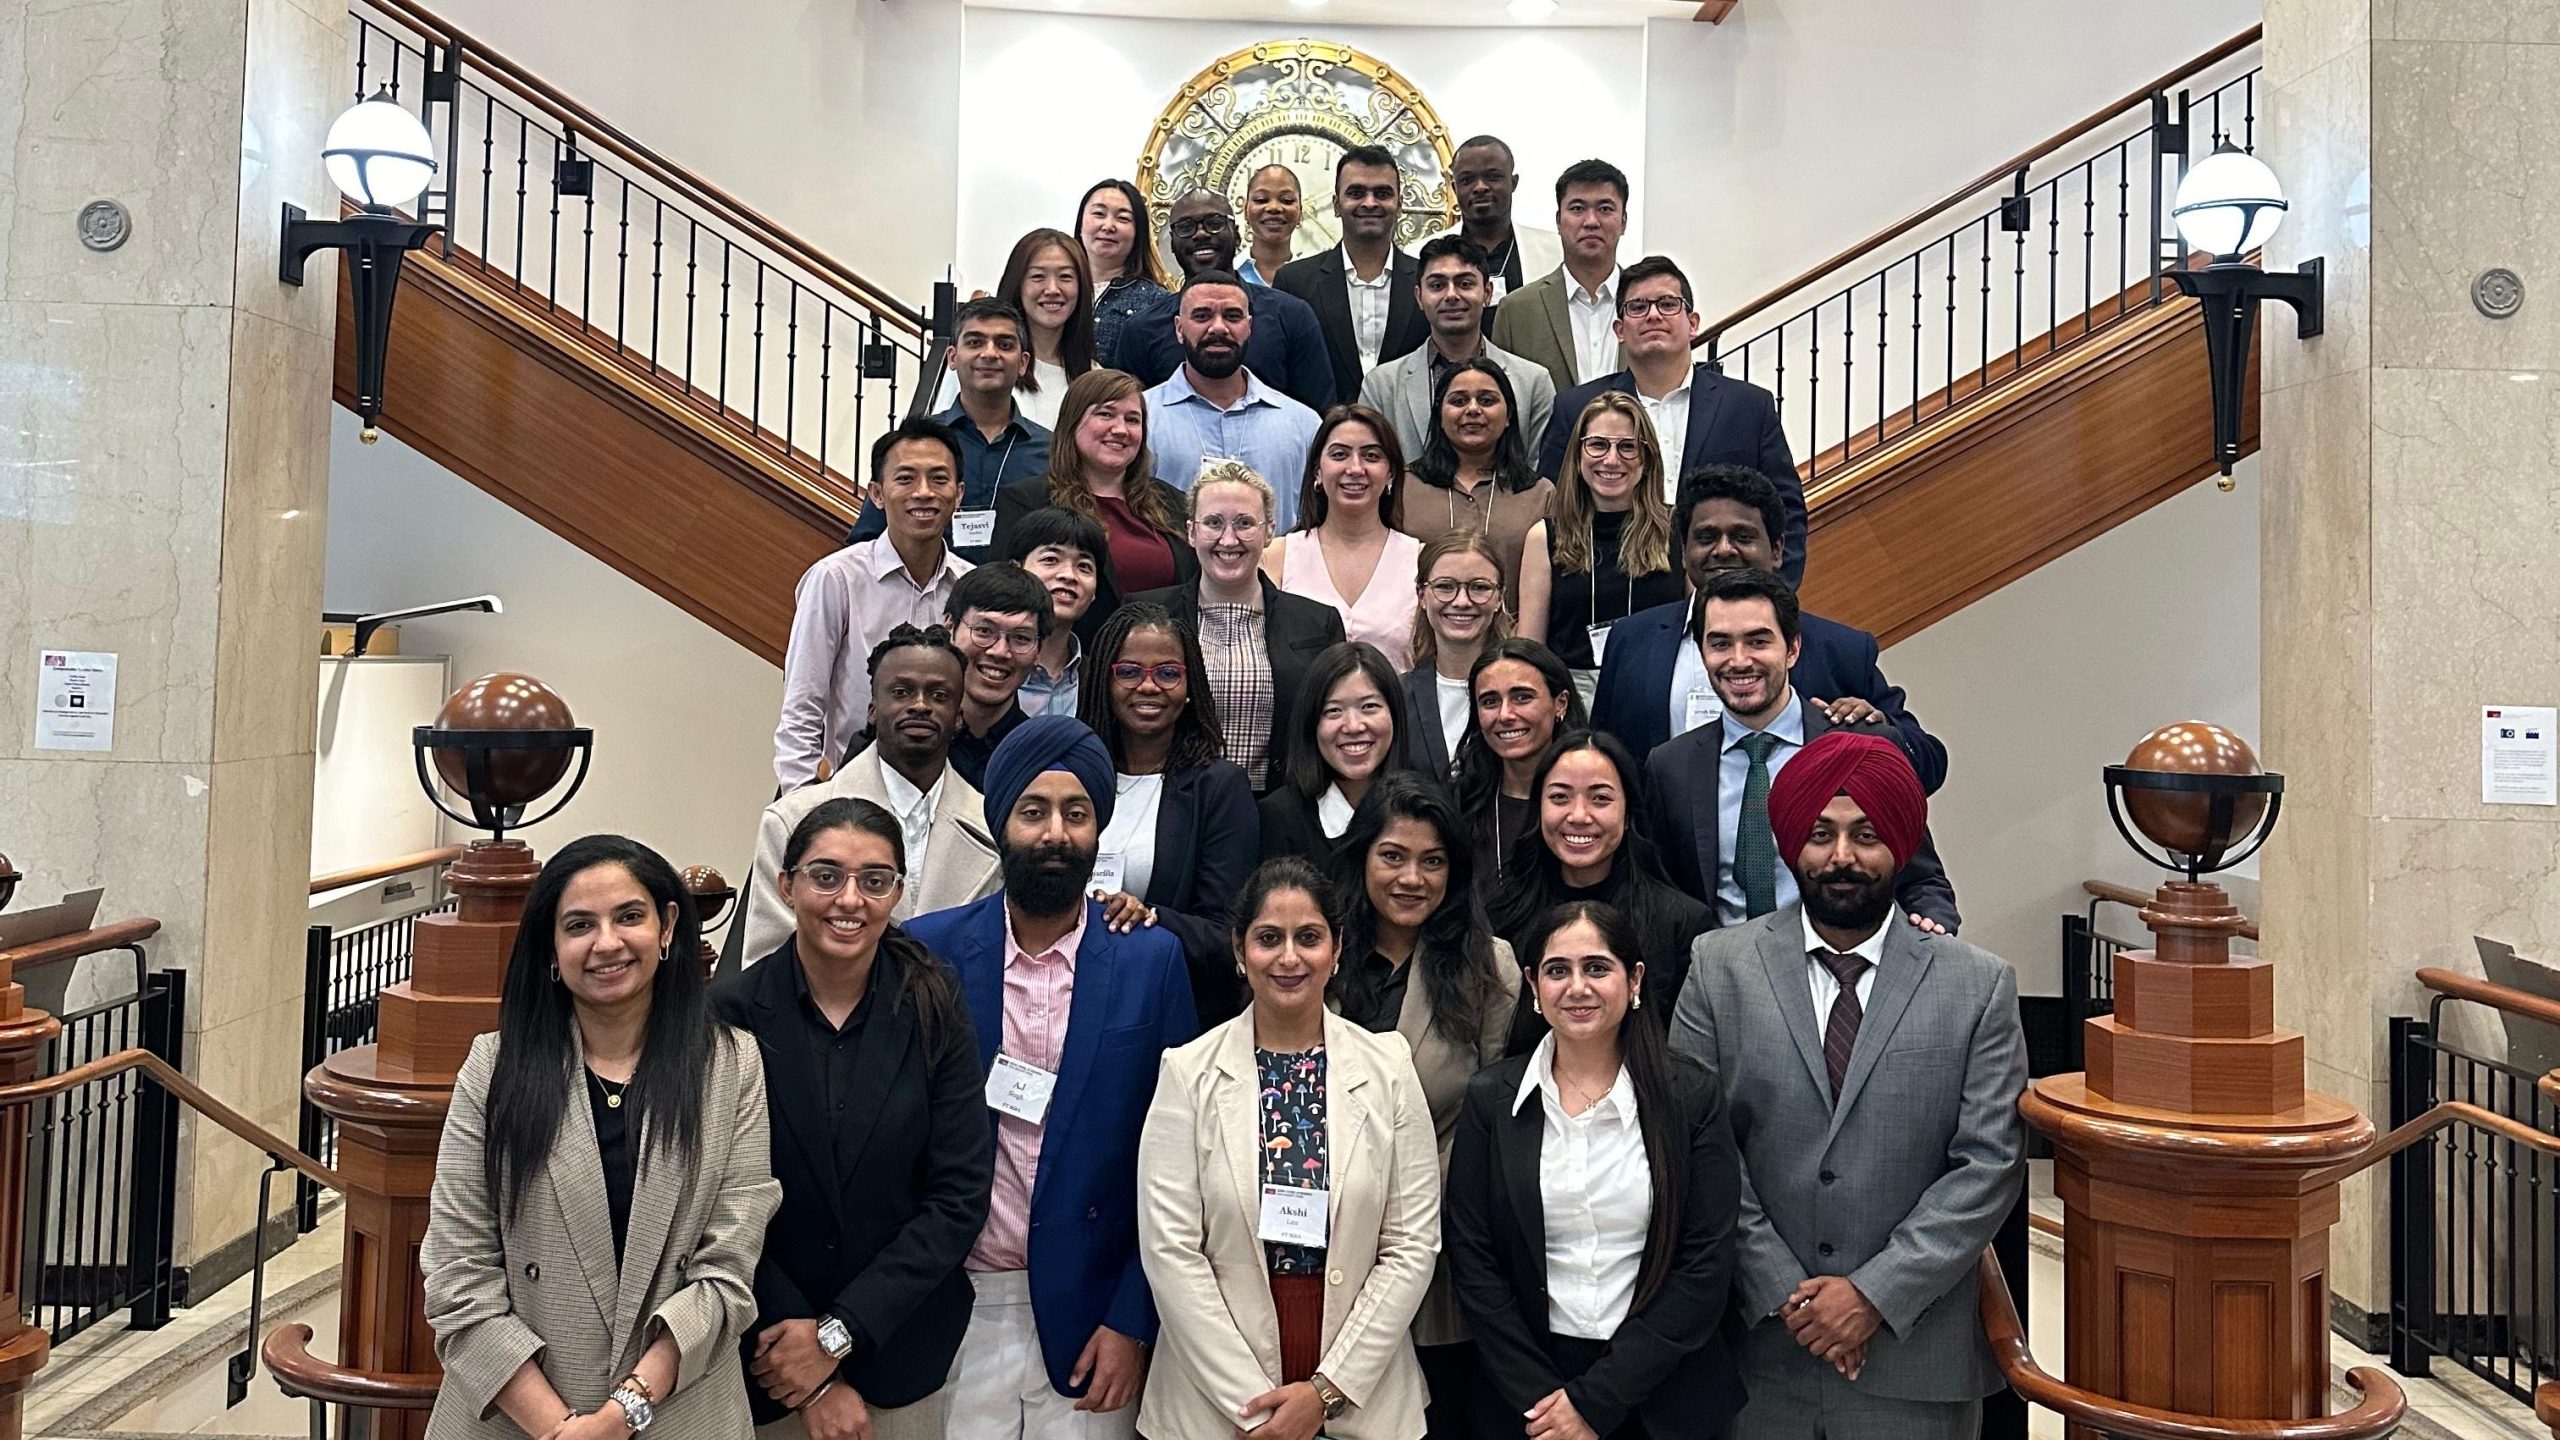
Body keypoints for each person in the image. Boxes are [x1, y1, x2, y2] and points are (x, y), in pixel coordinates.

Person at [1669, 733, 2027, 1440]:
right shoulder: (1719, 967)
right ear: (1790, 844)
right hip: (1757, 1356)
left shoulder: (1978, 985)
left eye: (1866, 835)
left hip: (1915, 1361)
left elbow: (1988, 1165)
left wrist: (1873, 1294)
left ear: (1900, 844)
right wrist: (1786, 1294)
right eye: (1821, 834)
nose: (1841, 857)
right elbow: (1694, 1144)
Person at [420, 835, 780, 1440]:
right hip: (517, 1418)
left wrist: (623, 1413)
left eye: (629, 917)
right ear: (551, 947)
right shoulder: (494, 1068)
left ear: (668, 927)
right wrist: (561, 1429)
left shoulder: (731, 1065)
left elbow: (728, 1272)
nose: (607, 943)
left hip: (678, 1413)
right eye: (579, 925)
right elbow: (458, 1273)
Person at [904, 715, 1198, 1440]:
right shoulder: (928, 953)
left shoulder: (1150, 960)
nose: (1056, 833)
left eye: (1077, 813)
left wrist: (1133, 1319)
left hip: (1094, 1315)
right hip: (954, 1304)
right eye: (1033, 812)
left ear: (1100, 829)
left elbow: (1180, 1159)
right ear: (1001, 822)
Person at [713, 800, 993, 1440]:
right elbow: (717, 1200)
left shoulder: (935, 1002)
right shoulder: (730, 1013)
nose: (849, 899)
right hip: (767, 1362)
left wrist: (839, 1334)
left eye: (874, 880)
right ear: (786, 886)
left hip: (900, 1350)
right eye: (826, 876)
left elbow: (958, 1195)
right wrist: (805, 1365)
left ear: (898, 893)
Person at [1135, 856, 1441, 1440]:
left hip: (1362, 1390)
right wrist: (1259, 1409)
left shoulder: (1389, 1068)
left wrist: (1325, 1392)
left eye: (1309, 937)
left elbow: (1411, 1245)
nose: (1289, 957)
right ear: (1239, 950)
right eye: (1269, 938)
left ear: (1337, 949)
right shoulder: (1187, 1072)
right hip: (1213, 1401)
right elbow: (1170, 1251)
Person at [1445, 900, 1746, 1440]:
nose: (1577, 987)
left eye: (1597, 968)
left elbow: (1705, 1264)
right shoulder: (1492, 1099)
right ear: (1533, 985)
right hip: (1526, 1400)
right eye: (1558, 970)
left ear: (1635, 980)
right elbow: (1473, 1257)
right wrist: (1545, 1404)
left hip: (1662, 1392)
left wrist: (1595, 1402)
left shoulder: (1691, 1096)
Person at [1326, 777, 1518, 1439]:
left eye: (1432, 861)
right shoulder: (1318, 955)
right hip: (1319, 1246)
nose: (1412, 878)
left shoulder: (1490, 968)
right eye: (1393, 856)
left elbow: (1490, 1122)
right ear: (1362, 859)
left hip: (1434, 1255)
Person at [1640, 569, 1959, 933]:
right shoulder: (1671, 767)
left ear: (1792, 649)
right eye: (1721, 644)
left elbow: (1922, 881)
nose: (1739, 660)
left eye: (1758, 641)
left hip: (1846, 959)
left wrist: (1931, 926)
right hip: (1724, 962)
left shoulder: (1863, 745)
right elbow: (1665, 896)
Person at [1593, 466, 1946, 785]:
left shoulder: (1840, 650)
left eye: (1743, 536)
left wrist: (1879, 732)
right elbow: (1600, 754)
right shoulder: (1631, 640)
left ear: (1777, 550)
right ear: (1684, 551)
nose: (1724, 549)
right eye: (1706, 537)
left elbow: (1927, 765)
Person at [1536, 258, 1805, 586]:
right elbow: (1555, 505)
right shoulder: (1577, 408)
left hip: (1723, 589)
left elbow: (1786, 509)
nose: (1653, 315)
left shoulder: (1748, 407)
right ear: (1619, 330)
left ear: (1692, 323)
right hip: (1610, 587)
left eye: (1667, 304)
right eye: (1637, 307)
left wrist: (1776, 592)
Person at [744, 625, 1001, 962]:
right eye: (901, 692)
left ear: (959, 717)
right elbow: (766, 967)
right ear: (872, 710)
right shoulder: (790, 821)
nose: (920, 705)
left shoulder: (994, 828)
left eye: (939, 695)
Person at [1077, 602, 1260, 1025]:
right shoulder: (1073, 776)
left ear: (1189, 684)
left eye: (1168, 673)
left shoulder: (1219, 787)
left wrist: (1149, 917)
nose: (1148, 686)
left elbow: (1227, 936)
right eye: (1129, 672)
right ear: (1104, 680)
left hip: (1165, 1007)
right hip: (1065, 992)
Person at [1130, 461, 1347, 795]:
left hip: (1278, 807)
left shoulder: (1318, 623)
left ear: (1269, 531)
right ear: (1191, 532)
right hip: (1167, 802)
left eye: (1245, 523)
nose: (1228, 539)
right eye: (1213, 523)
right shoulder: (1143, 614)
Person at [775, 418, 970, 790]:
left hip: (941, 788)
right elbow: (802, 705)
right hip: (849, 787)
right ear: (877, 495)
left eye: (939, 479)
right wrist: (801, 799)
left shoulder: (969, 585)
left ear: (958, 494)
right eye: (906, 478)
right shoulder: (836, 578)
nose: (924, 492)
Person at [1489, 731, 1708, 1046]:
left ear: (1628, 813)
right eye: (1560, 797)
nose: (1578, 815)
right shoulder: (1501, 916)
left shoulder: (1681, 923)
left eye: (1600, 799)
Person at [847, 298, 1050, 558]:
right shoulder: (913, 445)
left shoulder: (1051, 451)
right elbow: (867, 541)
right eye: (975, 343)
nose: (989, 354)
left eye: (1004, 345)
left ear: (1023, 363)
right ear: (952, 357)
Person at [994, 369, 1197, 619]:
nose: (1121, 429)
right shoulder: (1027, 501)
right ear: (1073, 421)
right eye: (1106, 414)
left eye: (1132, 420)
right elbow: (1003, 596)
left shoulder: (1174, 502)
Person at [1519, 392, 1684, 683]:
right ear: (1577, 455)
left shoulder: (1678, 528)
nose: (1611, 459)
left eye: (1628, 447)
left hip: (1658, 684)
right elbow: (1530, 651)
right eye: (1597, 445)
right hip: (1572, 694)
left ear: (1647, 459)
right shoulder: (1543, 537)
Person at [1123, 189, 1335, 413]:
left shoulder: (1292, 316)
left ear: (1237, 235)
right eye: (1186, 227)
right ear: (1172, 244)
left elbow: (1317, 416)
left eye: (1214, 223)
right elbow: (1128, 416)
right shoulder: (1142, 330)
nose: (1201, 234)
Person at [1141, 270, 1323, 528]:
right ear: (1179, 329)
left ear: (1249, 327)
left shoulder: (1303, 425)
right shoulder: (1141, 418)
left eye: (1232, 316)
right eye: (1202, 316)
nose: (1218, 327)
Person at [1359, 235, 1557, 462]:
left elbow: (1538, 474)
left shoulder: (1533, 383)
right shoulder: (1382, 387)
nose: (1451, 295)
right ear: (1419, 297)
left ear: (1487, 293)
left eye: (1465, 284)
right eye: (1437, 285)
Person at [1263, 404, 1425, 671]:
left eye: (1371, 456)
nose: (1355, 468)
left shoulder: (1421, 560)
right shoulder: (1275, 558)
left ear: (1391, 473)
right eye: (1339, 455)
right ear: (1317, 470)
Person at [1275, 146, 1430, 403]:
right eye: (1356, 193)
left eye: (1382, 193)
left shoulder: (1428, 282)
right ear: (1337, 204)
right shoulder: (1293, 282)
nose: (1369, 203)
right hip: (1321, 426)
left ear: (1400, 204)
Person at [1394, 359, 1556, 596]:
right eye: (1458, 401)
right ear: (1439, 415)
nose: (1472, 410)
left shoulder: (1540, 494)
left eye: (1486, 400)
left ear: (1509, 415)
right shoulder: (1404, 487)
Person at [1259, 641, 1413, 864]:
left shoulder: (1423, 804)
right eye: (1333, 711)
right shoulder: (1281, 816)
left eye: (1369, 706)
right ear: (1311, 724)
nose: (1353, 726)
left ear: (1395, 714)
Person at [1449, 638, 1586, 882]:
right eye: (1490, 701)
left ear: (1560, 703)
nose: (1505, 715)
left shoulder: (1592, 803)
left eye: (1522, 697)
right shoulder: (1460, 802)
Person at [1493, 159, 1630, 396]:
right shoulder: (1517, 311)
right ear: (1558, 221)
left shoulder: (1649, 306)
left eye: (1605, 209)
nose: (1591, 221)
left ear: (1623, 221)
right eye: (1577, 209)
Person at [934, 230, 1096, 431]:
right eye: (1038, 277)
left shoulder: (1093, 377)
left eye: (1065, 277)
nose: (1053, 289)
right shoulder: (978, 362)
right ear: (1018, 284)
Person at [1401, 533, 1512, 778]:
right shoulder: (1398, 696)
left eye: (1479, 587)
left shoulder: (1526, 693)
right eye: (1445, 587)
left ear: (1499, 598)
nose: (1462, 601)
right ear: (1421, 596)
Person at [942, 562, 1054, 791]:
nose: (1000, 652)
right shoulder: (908, 735)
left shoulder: (1043, 757)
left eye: (1021, 638)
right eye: (984, 631)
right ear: (949, 628)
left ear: (1039, 650)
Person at [1426, 136, 1565, 314]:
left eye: (1493, 177)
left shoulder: (1556, 251)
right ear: (1454, 188)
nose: (1480, 187)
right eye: (1467, 180)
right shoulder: (1420, 255)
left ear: (1513, 183)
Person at [1008, 507, 1108, 712]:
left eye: (1084, 566)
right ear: (1015, 571)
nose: (1068, 575)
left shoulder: (1102, 683)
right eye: (1051, 560)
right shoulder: (987, 667)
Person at [1079, 180, 1171, 374]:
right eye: (1099, 214)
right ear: (1080, 223)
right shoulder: (1058, 290)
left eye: (1122, 218)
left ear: (1138, 232)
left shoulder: (1157, 302)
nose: (1108, 226)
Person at [1238, 163, 1304, 287]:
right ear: (1245, 210)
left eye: (1287, 200)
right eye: (1261, 200)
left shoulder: (1311, 279)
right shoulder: (1227, 273)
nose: (1274, 207)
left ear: (1300, 212)